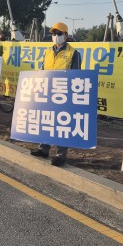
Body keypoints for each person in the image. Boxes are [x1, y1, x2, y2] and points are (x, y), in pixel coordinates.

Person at [30, 22, 82, 167]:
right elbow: (42, 70)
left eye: (59, 34)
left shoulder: (74, 53)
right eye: (54, 34)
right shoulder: (47, 51)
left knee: (61, 124)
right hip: (47, 93)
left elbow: (77, 76)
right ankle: (43, 149)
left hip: (63, 94)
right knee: (46, 120)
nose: (56, 36)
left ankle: (60, 155)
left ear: (66, 35)